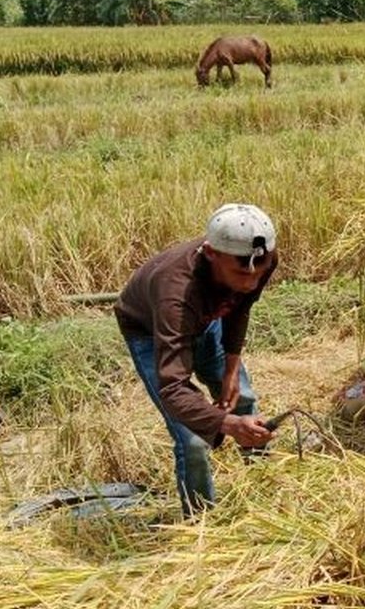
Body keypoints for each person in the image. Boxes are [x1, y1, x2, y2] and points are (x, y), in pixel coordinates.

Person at [115, 203, 279, 516]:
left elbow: (240, 306)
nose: (251, 280)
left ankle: (262, 491)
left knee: (242, 397)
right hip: (151, 331)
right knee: (191, 439)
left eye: (259, 270)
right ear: (210, 253)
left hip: (206, 317)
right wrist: (226, 424)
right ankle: (202, 522)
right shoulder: (175, 294)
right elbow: (173, 389)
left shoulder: (260, 258)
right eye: (240, 271)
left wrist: (231, 369)